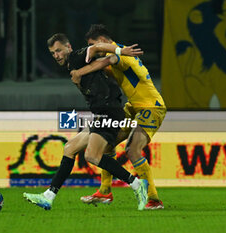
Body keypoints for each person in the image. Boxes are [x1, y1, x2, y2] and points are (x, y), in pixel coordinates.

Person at [23, 33, 149, 210]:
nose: (56, 55)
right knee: (69, 148)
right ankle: (48, 196)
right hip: (102, 112)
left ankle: (137, 184)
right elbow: (104, 61)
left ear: (69, 47)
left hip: (109, 111)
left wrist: (121, 50)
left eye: (59, 50)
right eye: (53, 53)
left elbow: (97, 48)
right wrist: (111, 59)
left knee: (92, 155)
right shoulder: (75, 65)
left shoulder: (76, 57)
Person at [70, 24, 166, 210]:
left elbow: (108, 61)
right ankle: (105, 191)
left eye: (94, 44)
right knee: (106, 141)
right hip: (133, 107)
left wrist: (80, 72)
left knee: (132, 149)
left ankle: (154, 199)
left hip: (151, 106)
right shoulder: (117, 53)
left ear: (104, 41)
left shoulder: (117, 53)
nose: (94, 50)